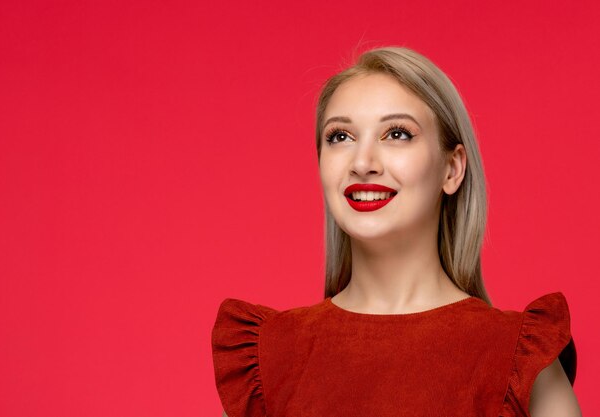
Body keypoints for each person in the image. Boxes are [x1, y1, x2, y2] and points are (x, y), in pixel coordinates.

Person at [211, 46, 580, 417]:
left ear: (452, 169)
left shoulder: (521, 361)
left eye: (397, 133)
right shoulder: (268, 358)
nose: (362, 163)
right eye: (340, 137)